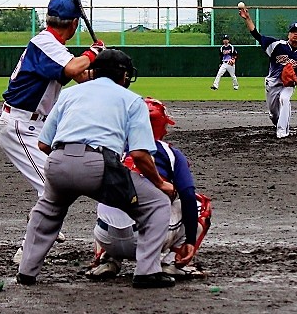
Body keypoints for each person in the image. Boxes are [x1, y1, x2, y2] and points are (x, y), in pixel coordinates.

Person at [16, 49, 180, 289]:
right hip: (99, 164)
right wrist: (160, 183)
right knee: (156, 203)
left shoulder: (69, 94)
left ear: (93, 71)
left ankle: (26, 272)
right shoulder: (132, 100)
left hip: (57, 161)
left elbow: (43, 143)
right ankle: (147, 272)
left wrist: (68, 164)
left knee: (47, 211)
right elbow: (140, 155)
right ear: (124, 75)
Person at [0, 0, 104, 255]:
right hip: (20, 125)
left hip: (35, 126)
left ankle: (43, 222)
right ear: (74, 23)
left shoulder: (52, 46)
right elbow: (73, 68)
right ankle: (29, 246)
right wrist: (94, 51)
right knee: (52, 186)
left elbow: (81, 76)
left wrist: (106, 68)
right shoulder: (45, 43)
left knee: (55, 183)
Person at [85, 97, 211, 281]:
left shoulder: (111, 148)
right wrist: (190, 240)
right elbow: (188, 197)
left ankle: (106, 258)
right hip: (148, 240)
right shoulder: (169, 152)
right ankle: (174, 263)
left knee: (112, 194)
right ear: (161, 125)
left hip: (105, 236)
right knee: (200, 204)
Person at [239, 7, 297, 138]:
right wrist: (247, 19)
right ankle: (278, 123)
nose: (295, 34)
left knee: (285, 99)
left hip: (287, 86)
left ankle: (282, 132)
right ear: (288, 34)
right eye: (293, 32)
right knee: (274, 115)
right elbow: (257, 35)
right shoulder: (277, 45)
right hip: (272, 84)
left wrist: (294, 80)